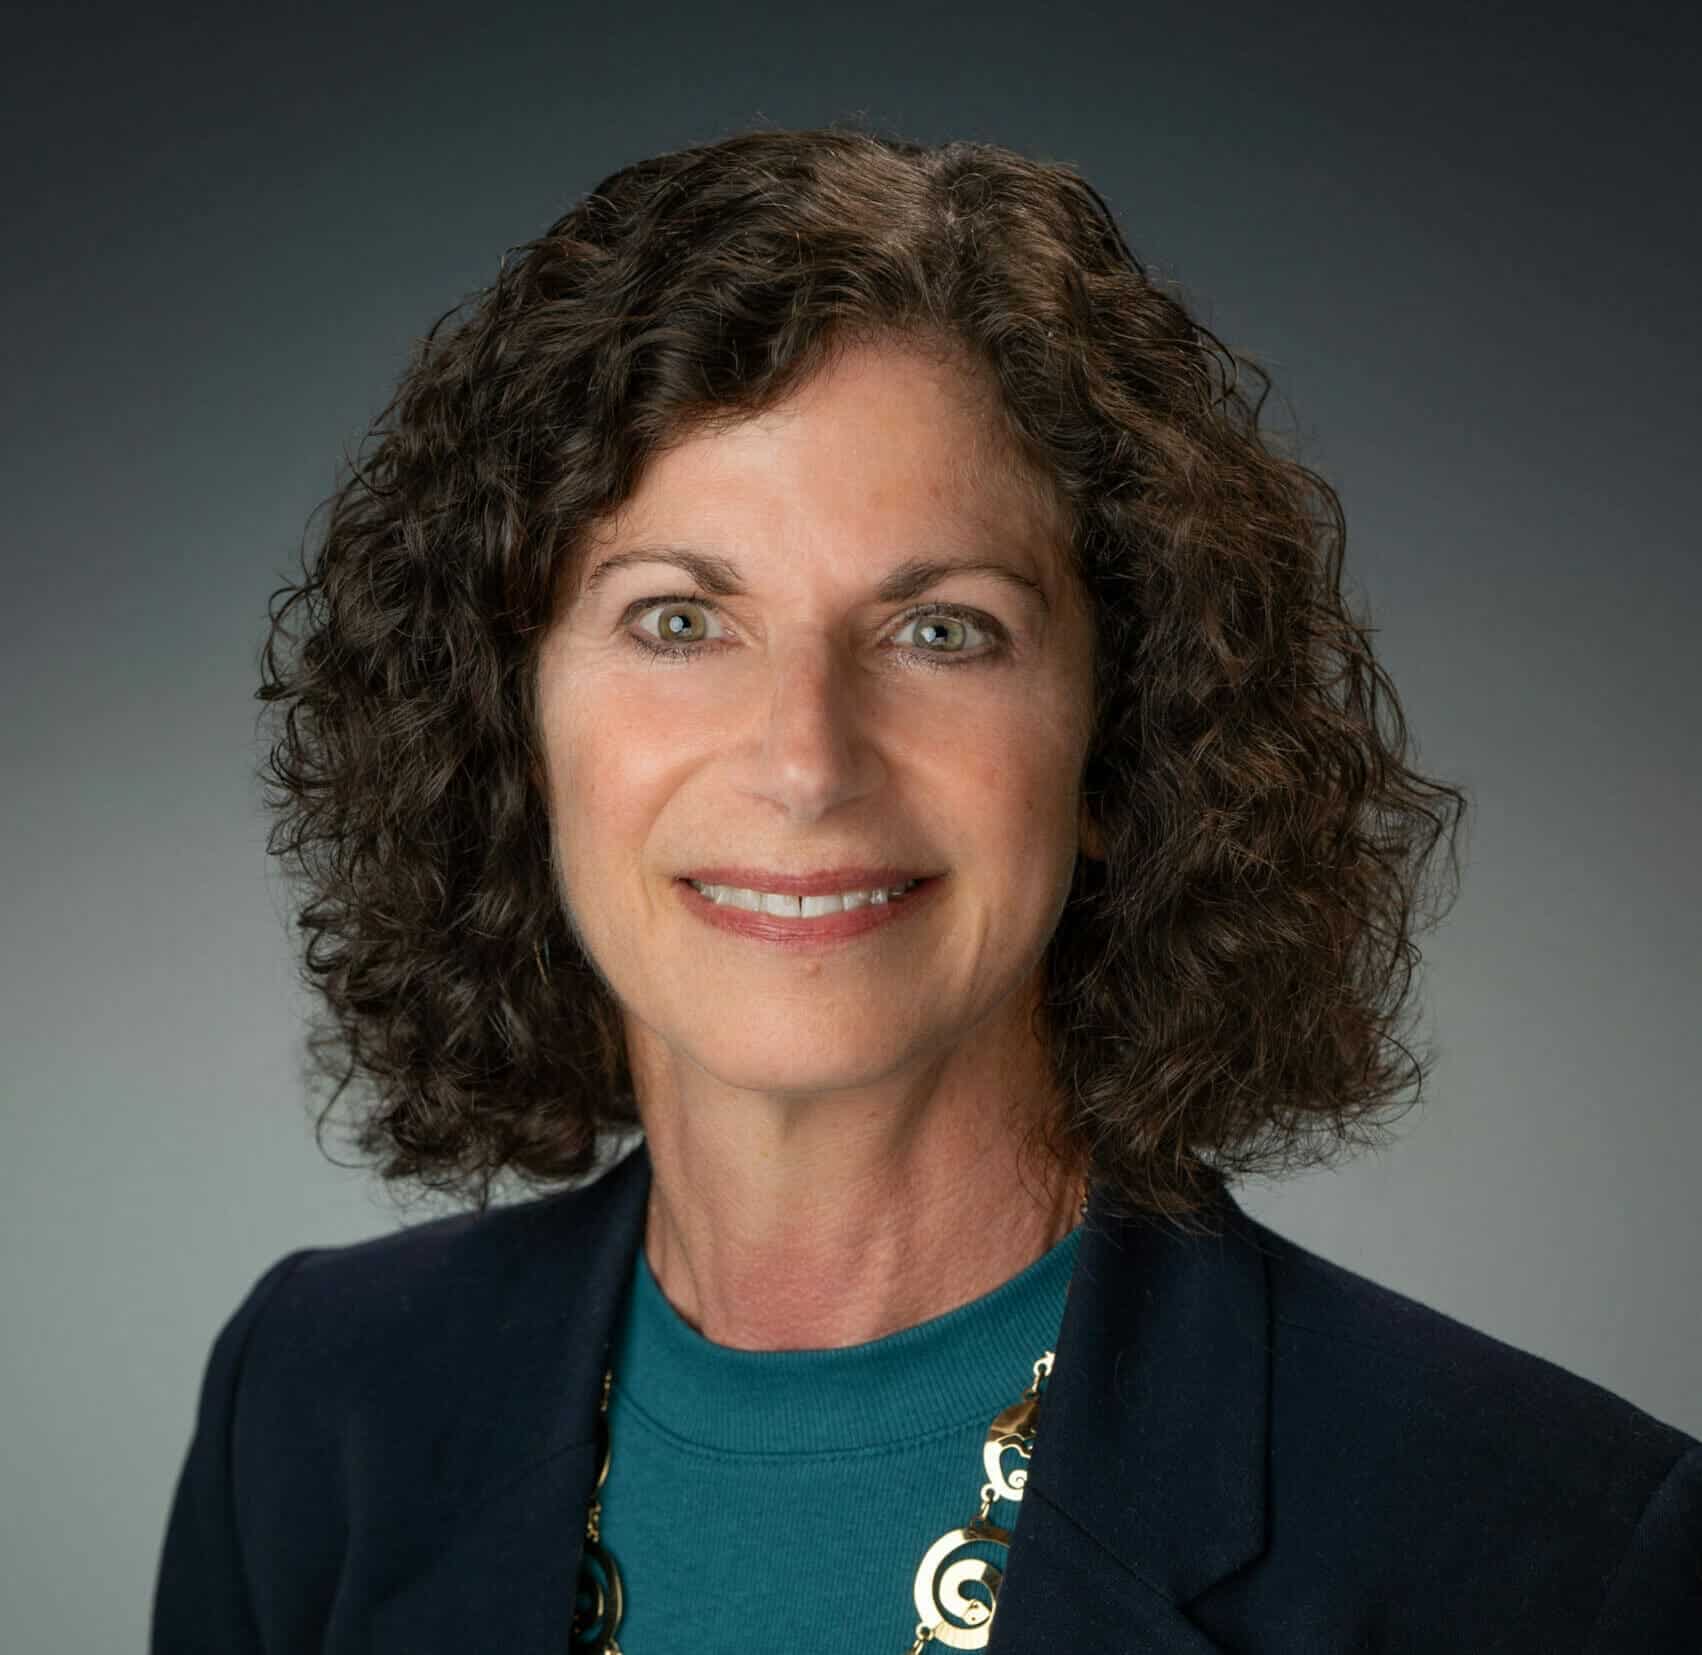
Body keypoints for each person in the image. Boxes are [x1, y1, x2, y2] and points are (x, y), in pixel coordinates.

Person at [151, 126, 1700, 1653]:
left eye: (940, 631)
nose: (806, 763)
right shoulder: (311, 1406)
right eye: (680, 622)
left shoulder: (1548, 1551)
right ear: (510, 716)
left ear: (1118, 738)